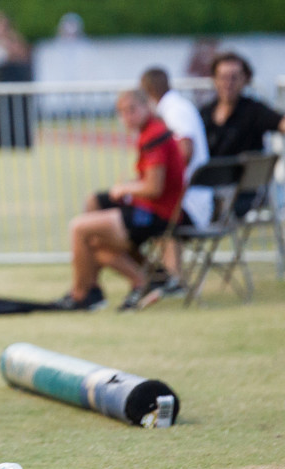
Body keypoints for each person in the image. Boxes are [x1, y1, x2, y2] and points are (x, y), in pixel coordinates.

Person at [54, 90, 185, 312]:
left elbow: (154, 188)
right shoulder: (150, 132)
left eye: (132, 110)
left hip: (159, 215)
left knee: (79, 229)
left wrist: (126, 188)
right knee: (94, 206)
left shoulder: (155, 135)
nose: (127, 117)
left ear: (147, 107)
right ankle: (98, 287)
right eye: (122, 112)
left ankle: (84, 293)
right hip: (153, 209)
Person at [139, 66, 210, 300]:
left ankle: (166, 278)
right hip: (192, 197)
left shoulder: (174, 111)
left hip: (190, 202)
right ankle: (167, 276)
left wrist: (158, 177)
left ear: (146, 91)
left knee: (145, 215)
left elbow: (185, 150)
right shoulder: (179, 106)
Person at [199, 51, 285, 216]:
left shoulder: (254, 111)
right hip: (206, 191)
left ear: (245, 79)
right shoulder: (204, 113)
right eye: (223, 77)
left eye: (234, 77)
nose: (228, 83)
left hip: (243, 194)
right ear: (214, 79)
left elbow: (281, 123)